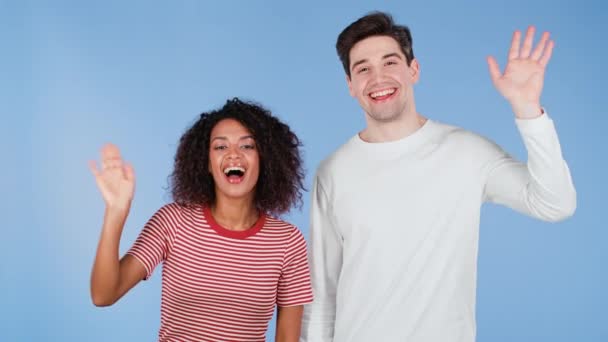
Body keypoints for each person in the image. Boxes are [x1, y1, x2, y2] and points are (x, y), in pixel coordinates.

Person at [301, 11, 576, 342]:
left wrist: (528, 108)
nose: (378, 78)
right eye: (363, 69)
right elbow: (322, 294)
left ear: (413, 70)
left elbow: (555, 204)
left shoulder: (466, 152)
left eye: (390, 63)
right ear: (350, 85)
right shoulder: (333, 172)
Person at [89, 98, 313, 342]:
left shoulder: (287, 241)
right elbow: (104, 294)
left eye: (247, 146)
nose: (234, 155)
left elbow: (288, 337)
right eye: (220, 147)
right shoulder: (172, 222)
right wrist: (115, 212)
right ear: (206, 162)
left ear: (264, 159)